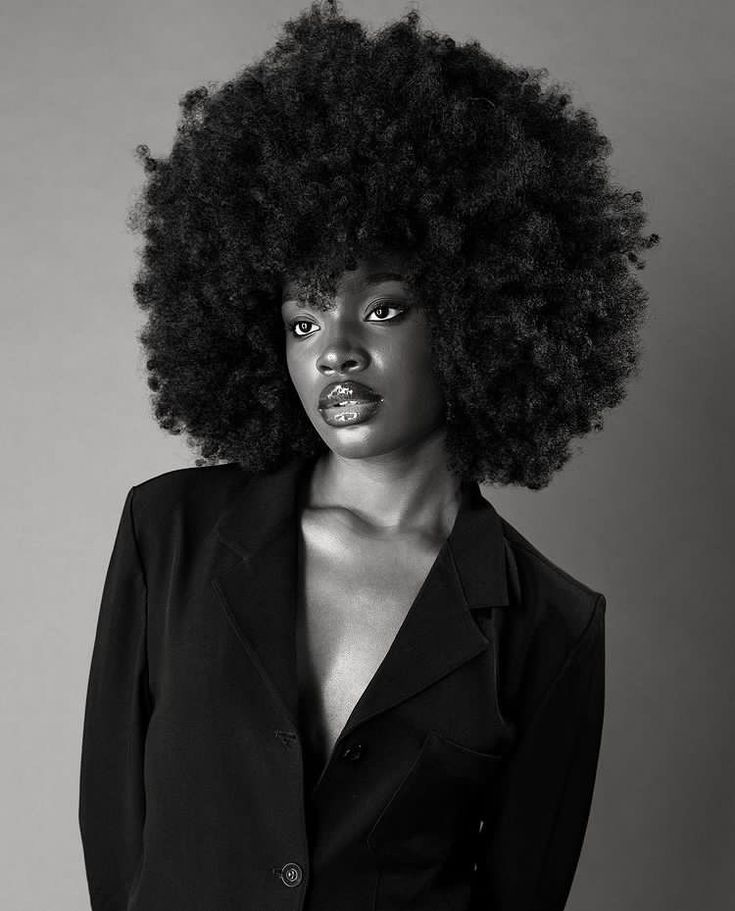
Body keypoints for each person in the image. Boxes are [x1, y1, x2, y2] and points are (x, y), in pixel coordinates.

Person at [78, 2, 660, 910]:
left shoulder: (548, 624)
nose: (333, 351)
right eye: (302, 320)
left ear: (480, 317)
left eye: (382, 309)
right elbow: (116, 838)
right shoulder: (171, 534)